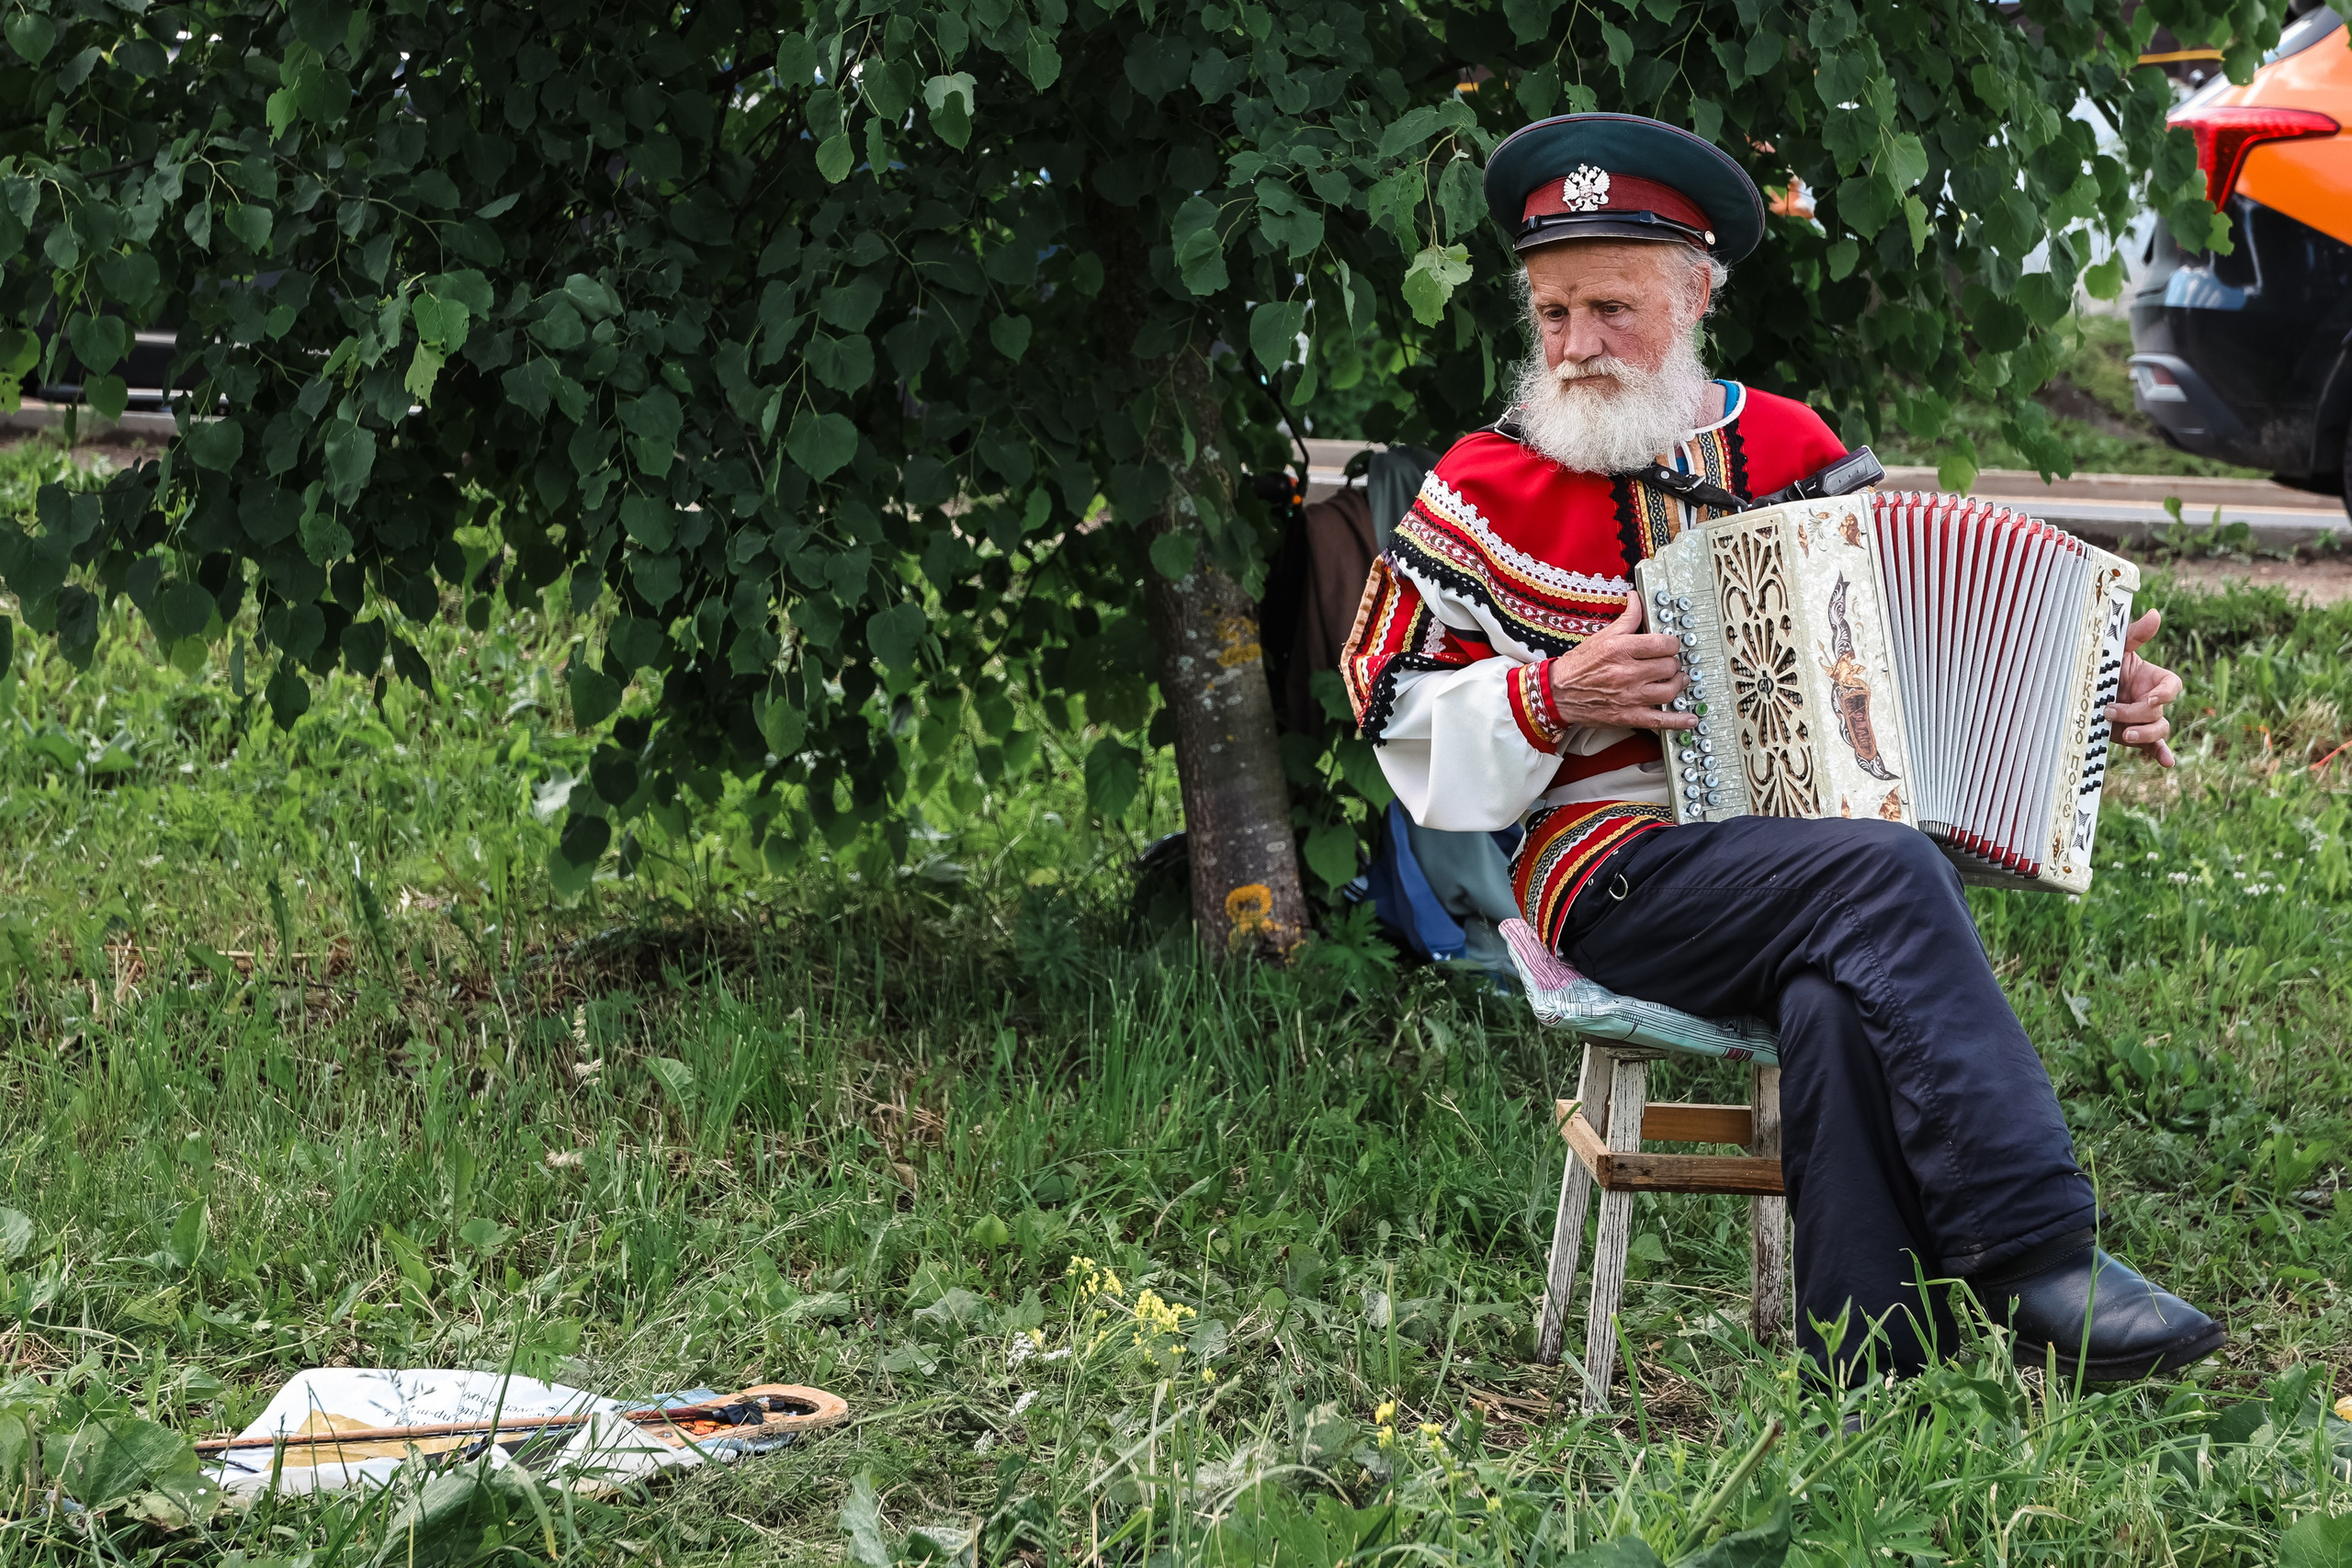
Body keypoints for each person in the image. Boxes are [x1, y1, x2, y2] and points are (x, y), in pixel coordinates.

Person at [1338, 111, 2222, 1384]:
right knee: (1877, 873)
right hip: (1614, 871)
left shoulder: (1797, 453)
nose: (1578, 345)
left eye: (1612, 310)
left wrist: (2091, 695)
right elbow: (1392, 705)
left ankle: (1870, 1371)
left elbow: (1921, 665)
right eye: (1553, 313)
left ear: (1696, 294)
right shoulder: (1482, 487)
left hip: (1808, 867)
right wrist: (1552, 690)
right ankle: (2038, 1255)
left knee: (1835, 988)